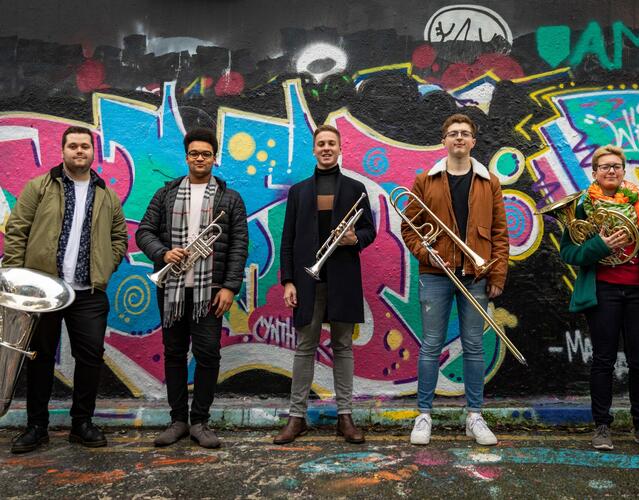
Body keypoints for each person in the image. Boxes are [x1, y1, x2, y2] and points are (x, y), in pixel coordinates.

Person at [4, 126, 128, 453]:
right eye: (72, 146)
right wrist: (18, 282)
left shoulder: (105, 194)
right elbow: (17, 231)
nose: (79, 151)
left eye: (85, 146)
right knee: (39, 358)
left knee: (89, 358)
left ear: (92, 152)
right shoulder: (40, 187)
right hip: (43, 293)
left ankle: (82, 424)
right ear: (62, 151)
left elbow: (119, 238)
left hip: (88, 293)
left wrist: (106, 266)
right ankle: (36, 427)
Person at [136, 128, 248, 449]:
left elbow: (239, 244)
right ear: (186, 157)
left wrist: (229, 287)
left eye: (206, 153)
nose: (200, 158)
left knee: (208, 354)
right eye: (194, 153)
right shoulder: (165, 194)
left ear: (215, 158)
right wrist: (163, 253)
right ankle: (178, 420)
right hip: (171, 288)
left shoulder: (230, 199)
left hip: (209, 293)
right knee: (173, 354)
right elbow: (144, 231)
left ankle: (200, 421)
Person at [401, 114, 509, 446]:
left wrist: (498, 273)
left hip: (476, 275)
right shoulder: (426, 180)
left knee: (474, 346)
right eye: (453, 133)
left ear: (473, 141)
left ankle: (474, 416)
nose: (459, 138)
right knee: (431, 345)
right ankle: (423, 415)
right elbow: (409, 228)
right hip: (436, 275)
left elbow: (500, 233)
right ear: (444, 141)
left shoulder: (488, 181)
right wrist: (426, 253)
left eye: (464, 134)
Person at [274, 124, 376, 444]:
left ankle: (344, 417)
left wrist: (352, 238)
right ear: (314, 149)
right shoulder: (299, 191)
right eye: (321, 144)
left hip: (343, 278)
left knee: (343, 347)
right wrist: (288, 280)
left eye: (332, 143)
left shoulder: (356, 189)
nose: (327, 148)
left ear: (340, 148)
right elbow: (287, 239)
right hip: (308, 280)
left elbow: (370, 231)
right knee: (304, 348)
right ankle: (296, 417)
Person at [559, 145, 639, 450]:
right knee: (604, 360)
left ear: (624, 171)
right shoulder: (583, 208)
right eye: (605, 166)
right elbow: (568, 252)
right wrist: (600, 246)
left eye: (617, 166)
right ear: (594, 173)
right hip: (604, 290)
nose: (611, 170)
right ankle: (601, 427)